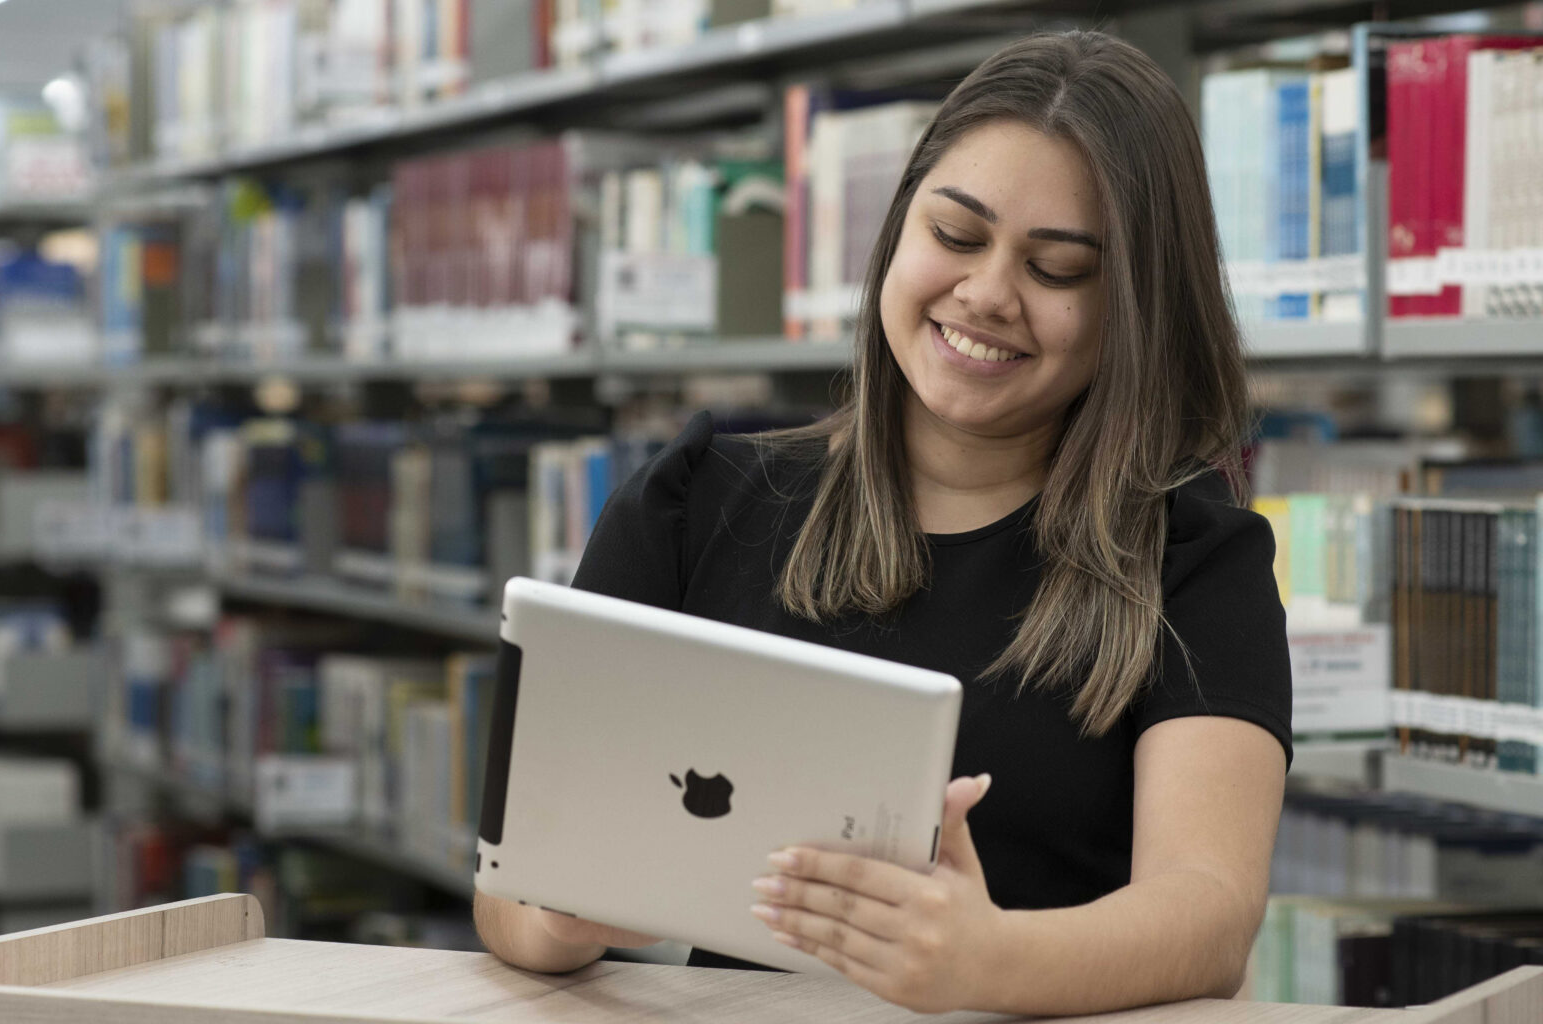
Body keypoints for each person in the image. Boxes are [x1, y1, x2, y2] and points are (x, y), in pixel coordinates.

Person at [473, 28, 1291, 1016]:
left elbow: (1209, 916)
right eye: (955, 235)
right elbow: (507, 892)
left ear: (1137, 305)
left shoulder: (1196, 561)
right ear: (897, 231)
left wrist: (987, 961)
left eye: (1059, 269)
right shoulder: (692, 503)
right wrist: (562, 915)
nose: (986, 294)